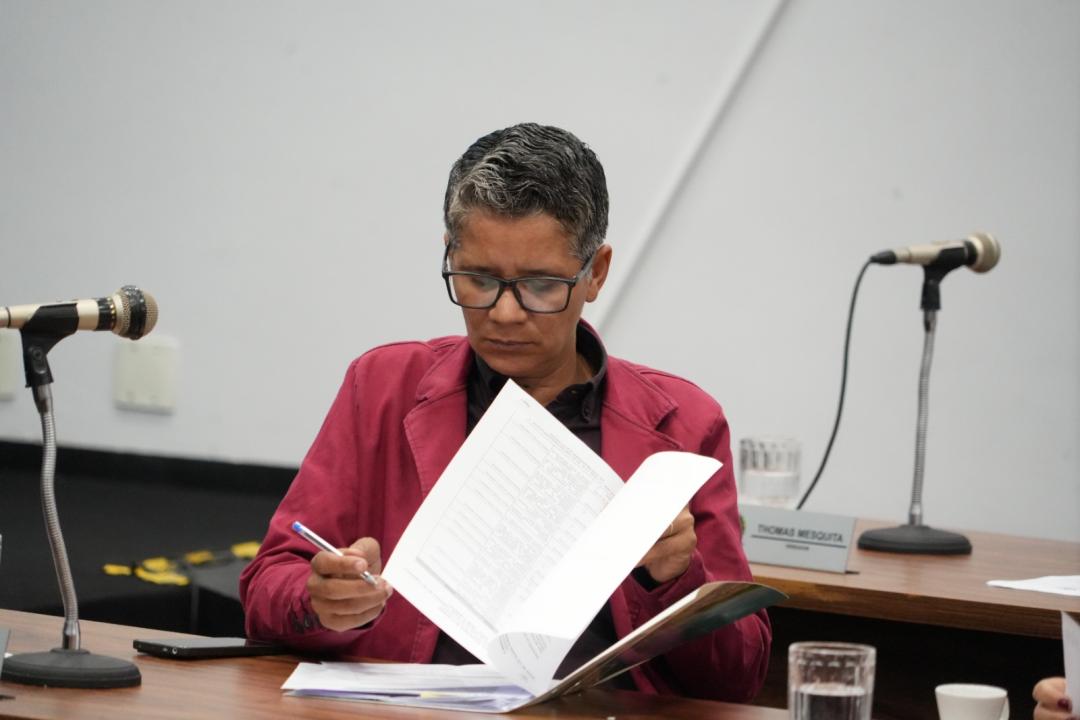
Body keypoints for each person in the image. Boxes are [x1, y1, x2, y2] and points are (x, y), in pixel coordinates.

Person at [239, 122, 771, 701]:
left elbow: (740, 676)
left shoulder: (685, 422)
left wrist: (676, 579)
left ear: (595, 272)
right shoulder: (384, 388)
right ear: (450, 255)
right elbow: (268, 587)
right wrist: (321, 599)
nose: (505, 314)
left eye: (540, 286)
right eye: (479, 279)